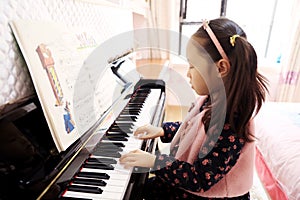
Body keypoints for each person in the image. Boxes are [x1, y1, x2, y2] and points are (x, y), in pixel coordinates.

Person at [119, 17, 268, 200]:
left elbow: (199, 178)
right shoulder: (211, 99)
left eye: (192, 66)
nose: (187, 73)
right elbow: (193, 129)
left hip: (209, 194)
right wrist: (162, 130)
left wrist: (154, 162)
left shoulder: (231, 120)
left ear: (221, 68)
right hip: (189, 182)